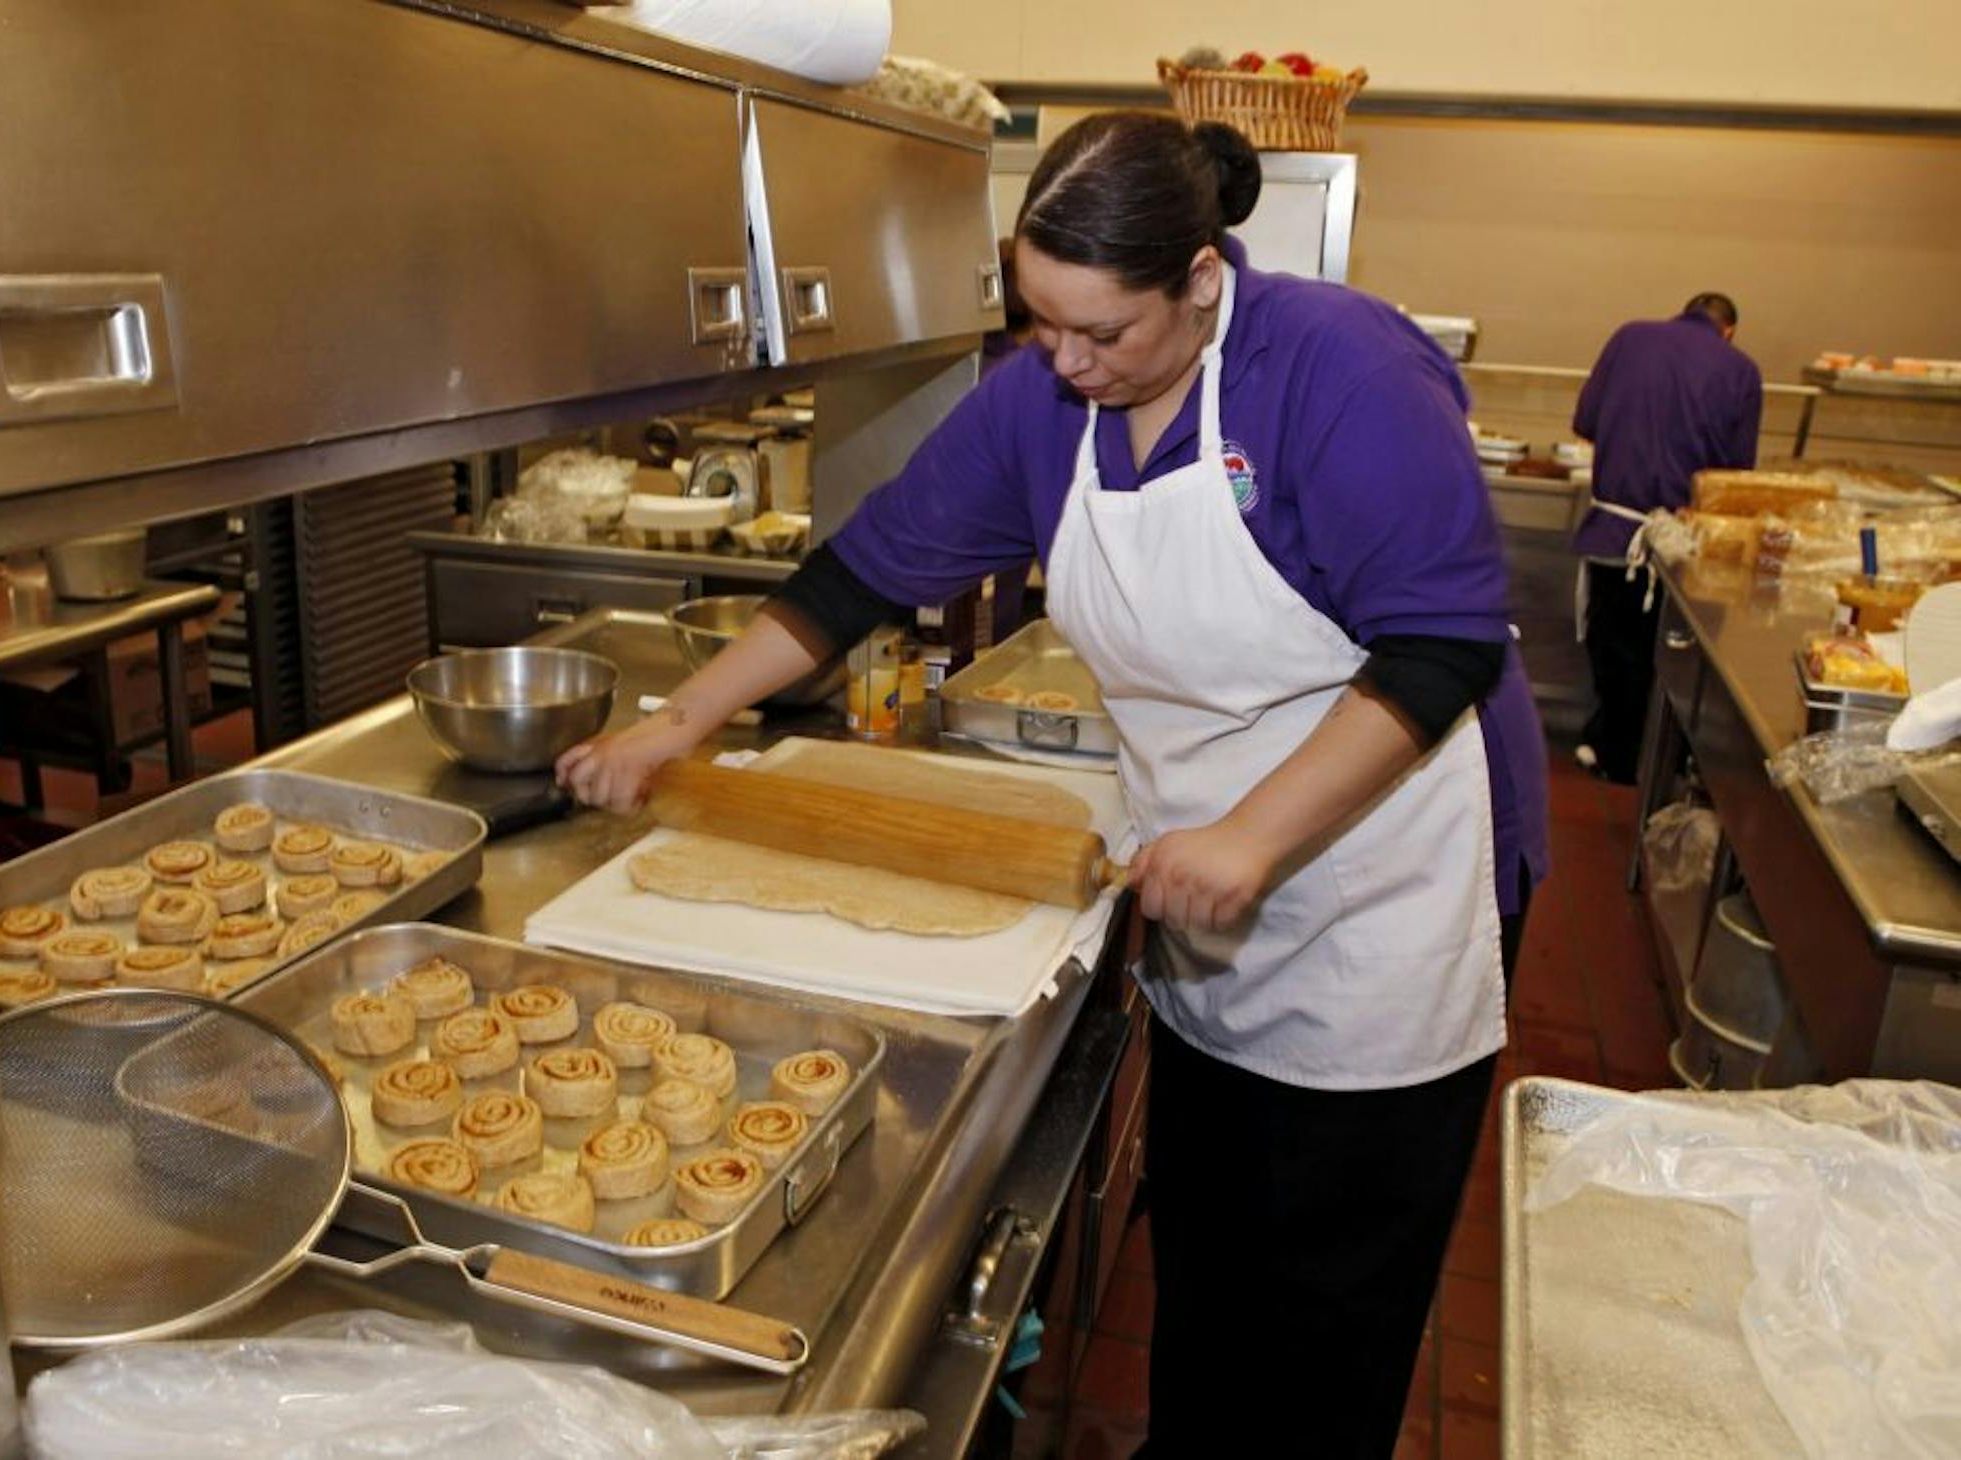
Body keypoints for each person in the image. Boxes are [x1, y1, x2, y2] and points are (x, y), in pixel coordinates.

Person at [558, 112, 1549, 1457]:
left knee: (1327, 1297)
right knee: (1206, 1235)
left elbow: (1442, 647)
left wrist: (1256, 837)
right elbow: (865, 571)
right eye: (1041, 324)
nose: (1068, 363)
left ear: (1203, 277)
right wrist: (678, 720)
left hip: (1387, 878)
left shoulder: (1337, 368)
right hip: (1203, 871)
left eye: (1105, 333)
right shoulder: (1045, 400)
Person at [1571, 292, 1762, 783]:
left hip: (1616, 533)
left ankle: (1613, 751)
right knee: (1670, 659)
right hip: (1685, 542)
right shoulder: (1741, 370)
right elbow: (1735, 475)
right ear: (1729, 330)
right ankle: (1658, 761)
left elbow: (1585, 421)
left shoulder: (1630, 336)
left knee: (1614, 648)